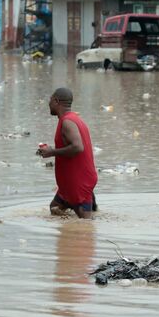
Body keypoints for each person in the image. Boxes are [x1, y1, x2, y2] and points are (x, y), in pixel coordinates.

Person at [37, 88, 98, 219]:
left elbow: (78, 147)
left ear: (56, 101)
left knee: (85, 225)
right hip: (68, 185)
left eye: (50, 100)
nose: (48, 104)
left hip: (77, 182)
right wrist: (51, 150)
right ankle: (67, 233)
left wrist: (52, 152)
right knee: (54, 208)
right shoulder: (72, 119)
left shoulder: (67, 122)